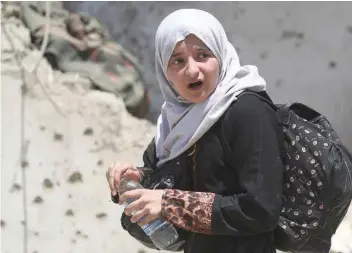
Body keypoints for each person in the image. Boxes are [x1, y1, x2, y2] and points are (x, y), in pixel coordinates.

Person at [106, 9, 284, 253]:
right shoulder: (174, 121)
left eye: (203, 55)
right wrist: (134, 180)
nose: (192, 70)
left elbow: (262, 208)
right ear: (164, 70)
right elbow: (177, 182)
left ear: (220, 56)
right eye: (177, 61)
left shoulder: (247, 111)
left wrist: (170, 204)